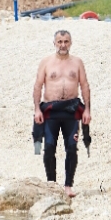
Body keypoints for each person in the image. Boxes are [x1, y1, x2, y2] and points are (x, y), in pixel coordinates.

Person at [33, 30, 91, 198]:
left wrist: (87, 109)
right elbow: (38, 86)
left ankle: (68, 186)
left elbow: (84, 85)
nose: (63, 45)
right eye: (60, 42)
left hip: (71, 110)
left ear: (70, 43)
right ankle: (51, 184)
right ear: (54, 43)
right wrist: (37, 109)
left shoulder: (77, 62)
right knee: (49, 147)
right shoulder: (46, 62)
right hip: (50, 110)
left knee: (71, 147)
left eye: (66, 41)